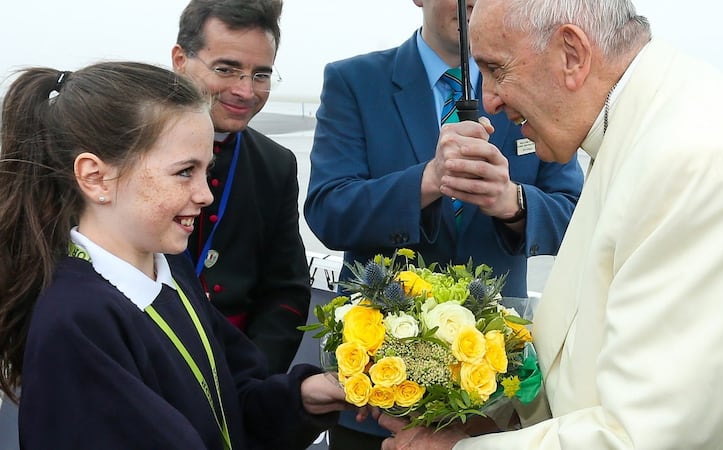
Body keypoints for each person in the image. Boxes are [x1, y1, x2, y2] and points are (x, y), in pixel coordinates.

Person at [377, 0, 723, 448]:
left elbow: (644, 436)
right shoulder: (648, 122)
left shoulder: (701, 165)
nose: (489, 101)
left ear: (572, 54)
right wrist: (495, 417)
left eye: (496, 69)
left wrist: (456, 449)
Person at [0, 62, 349, 449]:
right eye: (185, 172)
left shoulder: (172, 273)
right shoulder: (76, 322)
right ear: (96, 177)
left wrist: (304, 396)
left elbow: (233, 399)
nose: (205, 194)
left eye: (206, 170)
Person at [304, 0, 584, 447]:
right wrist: (427, 180)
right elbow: (327, 211)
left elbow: (578, 217)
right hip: (374, 393)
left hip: (493, 402)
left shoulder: (535, 85)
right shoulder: (354, 82)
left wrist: (512, 202)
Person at [171, 0, 310, 375]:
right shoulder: (124, 149)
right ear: (180, 60)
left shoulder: (276, 164)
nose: (245, 91)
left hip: (238, 375)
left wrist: (250, 379)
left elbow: (286, 290)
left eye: (260, 75)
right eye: (226, 69)